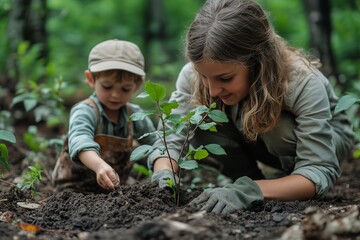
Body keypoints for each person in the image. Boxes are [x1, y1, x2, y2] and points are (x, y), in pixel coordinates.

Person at [147, 0, 355, 214]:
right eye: (204, 77)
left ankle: (272, 184)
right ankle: (260, 185)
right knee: (200, 119)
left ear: (258, 62)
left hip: (322, 143)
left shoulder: (301, 82)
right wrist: (164, 175)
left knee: (280, 129)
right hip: (257, 136)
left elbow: (319, 170)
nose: (212, 91)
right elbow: (170, 140)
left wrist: (246, 191)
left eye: (225, 78)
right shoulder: (195, 74)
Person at [52, 39, 157, 193]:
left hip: (114, 190)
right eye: (107, 86)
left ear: (137, 85)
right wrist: (99, 166)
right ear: (91, 79)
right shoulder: (85, 111)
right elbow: (80, 139)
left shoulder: (135, 115)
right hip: (74, 189)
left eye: (125, 89)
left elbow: (157, 144)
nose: (115, 95)